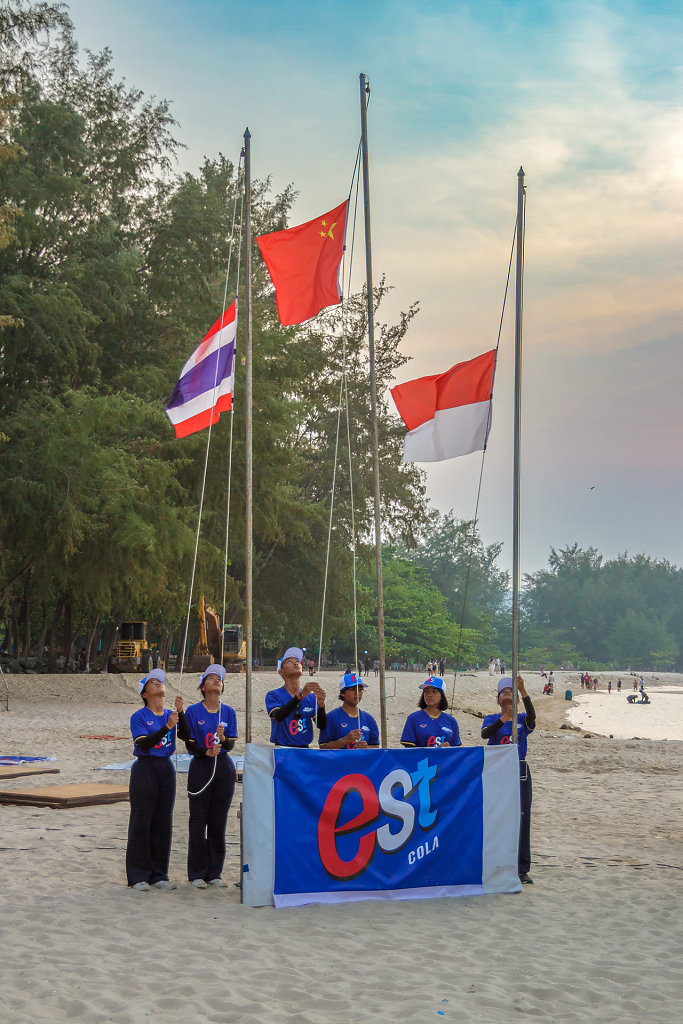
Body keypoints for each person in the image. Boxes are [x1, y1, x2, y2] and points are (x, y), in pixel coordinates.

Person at [178, 663, 237, 889]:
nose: (216, 681)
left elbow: (230, 744)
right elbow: (189, 743)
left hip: (222, 766)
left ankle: (215, 872)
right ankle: (196, 873)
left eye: (219, 679)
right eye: (211, 678)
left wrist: (222, 741)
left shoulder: (228, 712)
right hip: (202, 765)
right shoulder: (194, 711)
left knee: (218, 821)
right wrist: (206, 751)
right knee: (198, 820)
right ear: (203, 686)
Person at [126, 668, 182, 891]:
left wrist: (181, 714)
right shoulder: (140, 716)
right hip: (145, 768)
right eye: (152, 682)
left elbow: (183, 735)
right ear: (144, 694)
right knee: (142, 821)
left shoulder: (170, 713)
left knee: (163, 821)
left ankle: (159, 874)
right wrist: (167, 726)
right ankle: (138, 875)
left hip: (165, 768)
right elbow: (143, 743)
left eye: (160, 681)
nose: (159, 683)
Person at [481, 675, 536, 885]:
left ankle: (522, 868)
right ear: (497, 700)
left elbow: (532, 717)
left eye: (510, 691)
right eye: (503, 692)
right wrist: (504, 717)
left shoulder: (522, 719)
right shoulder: (491, 718)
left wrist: (523, 691)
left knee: (522, 819)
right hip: (497, 771)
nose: (506, 693)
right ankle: (496, 862)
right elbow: (486, 734)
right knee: (496, 817)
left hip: (519, 770)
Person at [265, 646, 327, 747]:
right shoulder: (273, 695)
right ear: (281, 671)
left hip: (304, 750)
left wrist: (321, 705)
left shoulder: (311, 697)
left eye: (297, 661)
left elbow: (321, 725)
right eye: (289, 661)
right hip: (282, 750)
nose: (296, 663)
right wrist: (299, 697)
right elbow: (278, 716)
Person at [319, 672, 380, 749]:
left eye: (360, 689)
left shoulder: (369, 719)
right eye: (353, 689)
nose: (357, 693)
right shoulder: (331, 717)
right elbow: (323, 747)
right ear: (343, 693)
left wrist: (366, 747)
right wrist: (345, 740)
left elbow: (376, 746)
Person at [400, 676, 462, 748]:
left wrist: (446, 750)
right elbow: (409, 751)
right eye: (426, 691)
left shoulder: (451, 721)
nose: (429, 695)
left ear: (442, 696)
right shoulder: (413, 718)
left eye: (434, 691)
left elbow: (456, 751)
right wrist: (435, 751)